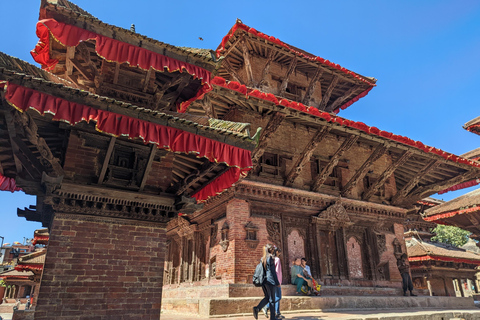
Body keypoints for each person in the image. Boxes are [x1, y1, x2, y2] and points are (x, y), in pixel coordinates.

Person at [253, 244, 280, 320]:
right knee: (272, 300)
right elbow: (273, 272)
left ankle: (257, 308)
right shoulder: (270, 258)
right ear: (270, 250)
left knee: (268, 298)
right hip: (270, 281)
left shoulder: (263, 258)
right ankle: (272, 318)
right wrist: (277, 282)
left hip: (264, 281)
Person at [262, 247, 284, 319]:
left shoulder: (268, 258)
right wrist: (278, 281)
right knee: (278, 296)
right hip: (276, 281)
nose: (280, 253)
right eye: (279, 252)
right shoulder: (277, 259)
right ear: (276, 252)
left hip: (269, 281)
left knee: (275, 297)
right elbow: (277, 271)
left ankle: (277, 312)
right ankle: (267, 307)